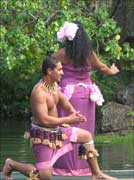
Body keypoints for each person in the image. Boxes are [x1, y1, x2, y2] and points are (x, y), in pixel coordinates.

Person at [2, 55, 118, 180]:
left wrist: (75, 113)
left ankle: (97, 174)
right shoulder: (39, 92)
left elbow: (64, 103)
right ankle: (11, 164)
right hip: (43, 136)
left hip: (57, 133)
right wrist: (68, 120)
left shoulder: (54, 86)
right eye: (59, 69)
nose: (63, 72)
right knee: (44, 177)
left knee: (87, 137)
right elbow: (44, 120)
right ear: (49, 71)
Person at [53, 21, 120, 176]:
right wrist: (112, 71)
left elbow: (47, 66)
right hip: (87, 97)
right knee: (85, 131)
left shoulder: (62, 54)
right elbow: (103, 68)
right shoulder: (89, 54)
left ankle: (64, 168)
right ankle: (84, 168)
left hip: (67, 97)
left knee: (66, 130)